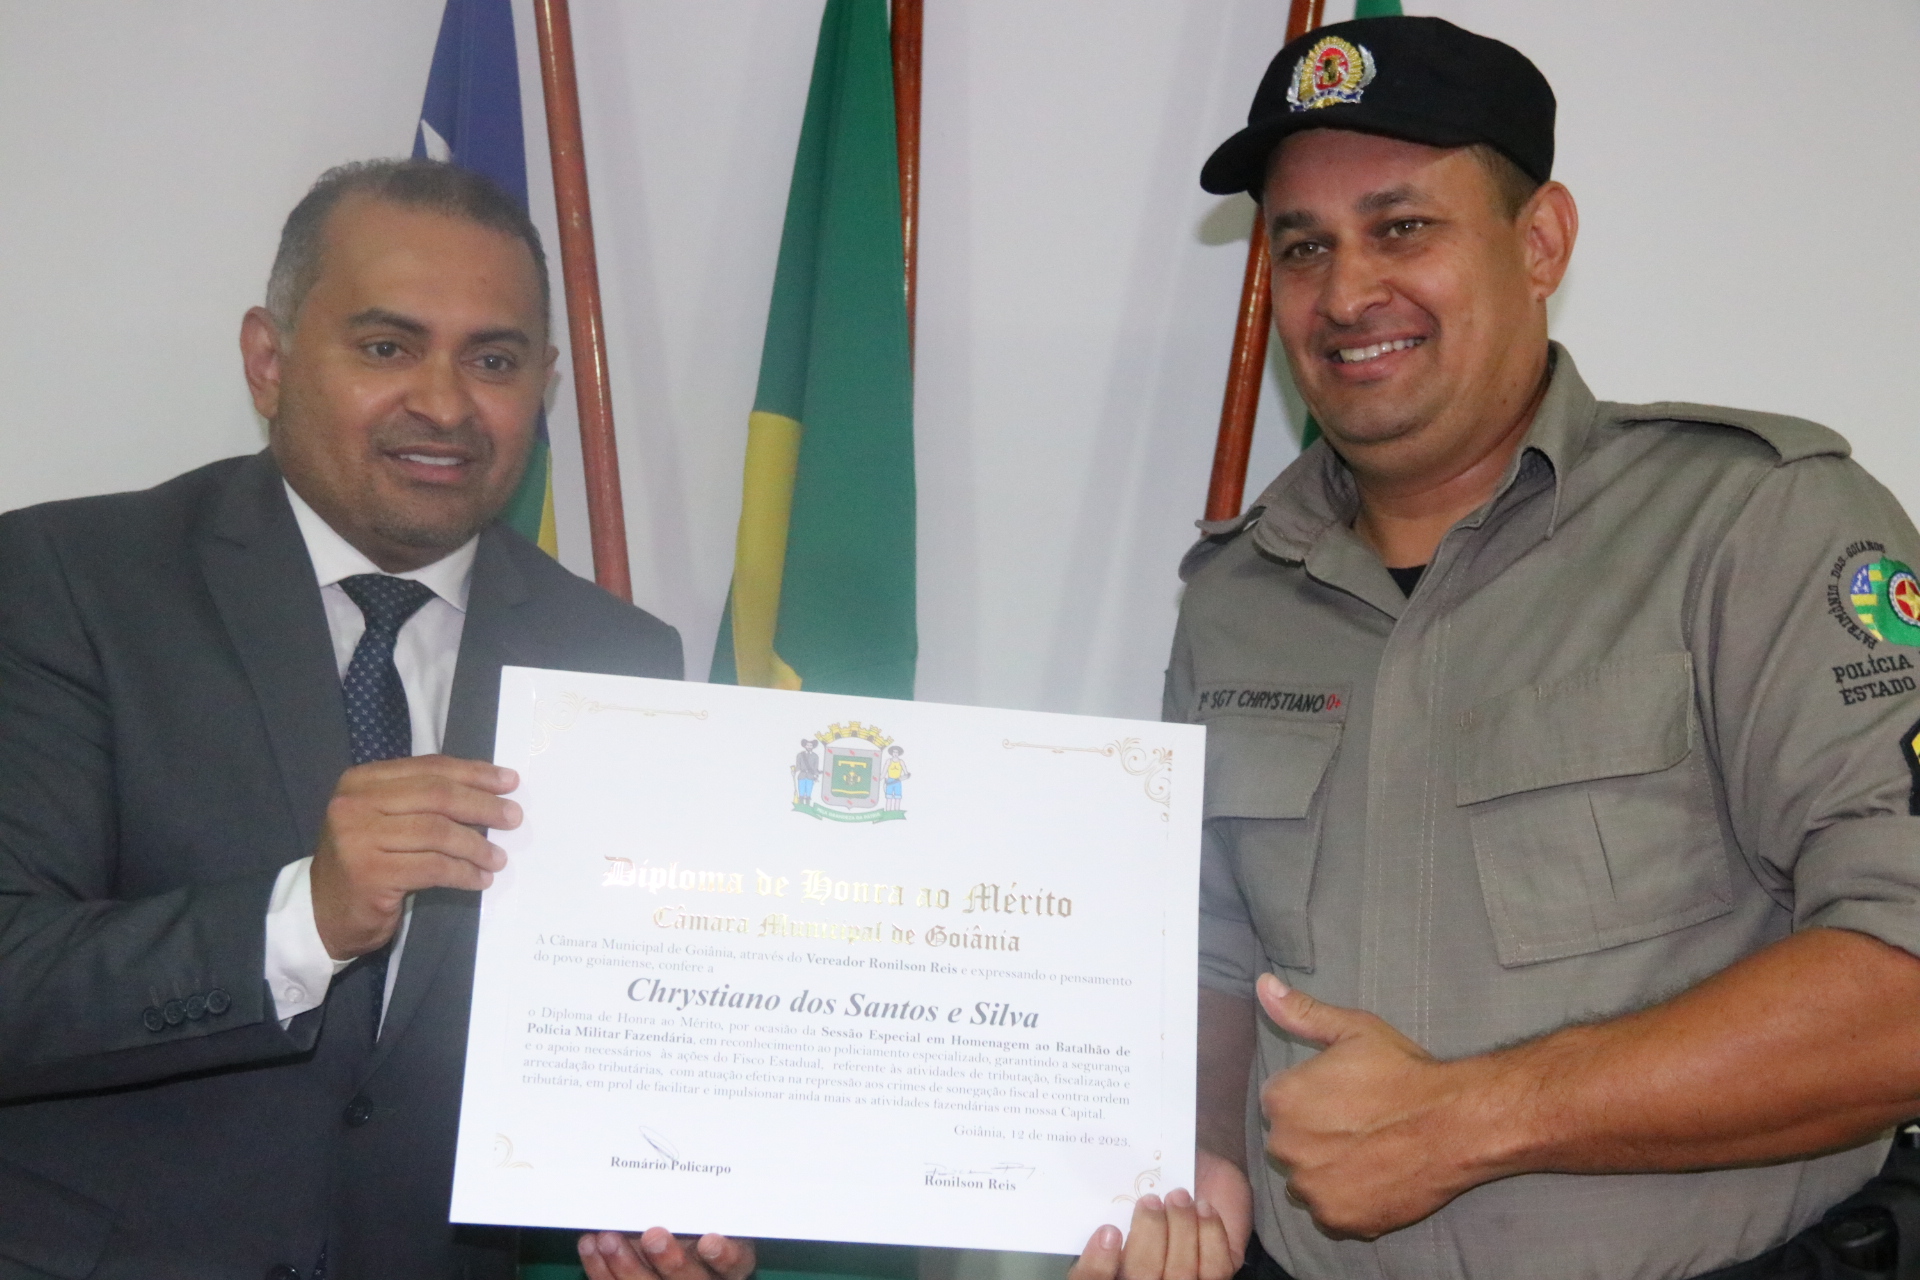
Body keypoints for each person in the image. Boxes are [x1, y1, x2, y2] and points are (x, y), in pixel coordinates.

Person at [1072, 15, 1920, 1280]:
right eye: (1303, 246)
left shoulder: (1755, 524)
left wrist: (1471, 1118)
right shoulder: (1237, 596)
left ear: (1541, 242)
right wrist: (1194, 1164)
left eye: (1403, 227)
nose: (1346, 293)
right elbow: (1211, 954)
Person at [0, 158, 747, 1280]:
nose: (444, 404)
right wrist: (305, 916)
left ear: (544, 385)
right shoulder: (66, 580)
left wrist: (665, 1202)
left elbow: (623, 1027)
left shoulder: (616, 659)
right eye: (388, 347)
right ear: (269, 359)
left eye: (493, 360)